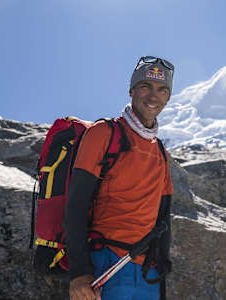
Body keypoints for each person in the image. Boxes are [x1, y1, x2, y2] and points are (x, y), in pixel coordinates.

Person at [63, 56, 174, 300]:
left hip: (147, 273)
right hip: (105, 264)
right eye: (145, 86)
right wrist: (79, 272)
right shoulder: (103, 134)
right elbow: (76, 205)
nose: (153, 96)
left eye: (162, 90)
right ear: (131, 90)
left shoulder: (161, 153)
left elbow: (164, 218)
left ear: (168, 97)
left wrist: (162, 276)